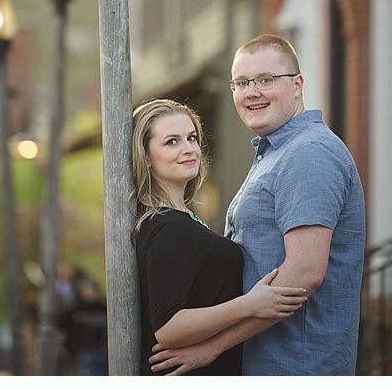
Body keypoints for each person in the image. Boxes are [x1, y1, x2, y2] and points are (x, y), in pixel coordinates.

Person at [149, 35, 366, 375]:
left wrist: (212, 347)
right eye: (241, 82)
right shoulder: (276, 152)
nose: (252, 92)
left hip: (297, 366)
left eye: (266, 80)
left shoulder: (308, 153)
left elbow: (303, 276)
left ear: (297, 84)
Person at [132, 98, 308, 375]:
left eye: (191, 138)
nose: (189, 149)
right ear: (146, 157)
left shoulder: (180, 220)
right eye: (171, 142)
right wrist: (250, 304)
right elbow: (168, 328)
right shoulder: (167, 227)